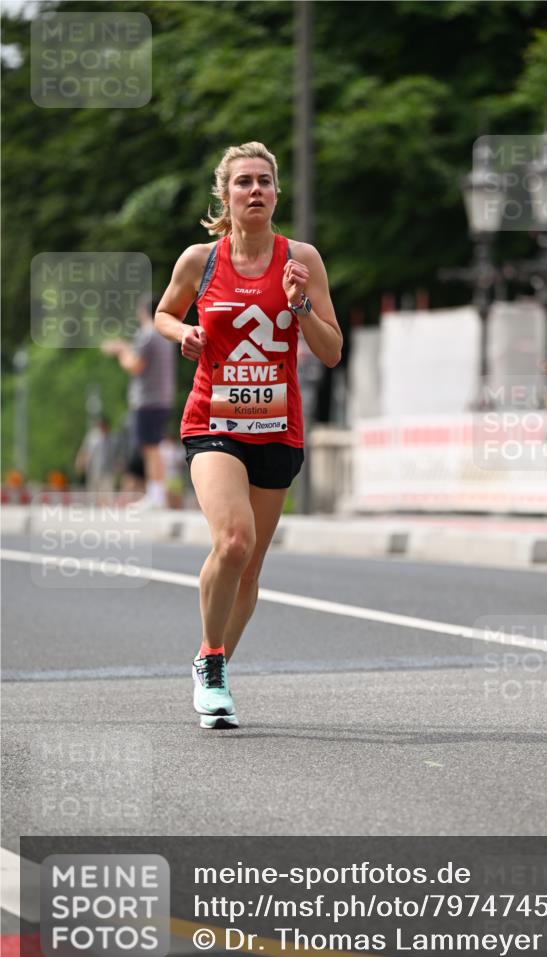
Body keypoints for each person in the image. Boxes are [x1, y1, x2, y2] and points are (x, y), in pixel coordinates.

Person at [154, 141, 342, 729]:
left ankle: (215, 669)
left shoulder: (301, 258)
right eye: (243, 183)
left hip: (278, 430)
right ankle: (211, 662)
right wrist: (180, 333)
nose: (254, 190)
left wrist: (301, 303)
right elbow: (163, 313)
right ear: (226, 195)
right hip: (212, 422)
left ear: (277, 194)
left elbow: (331, 351)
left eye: (264, 181)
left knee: (252, 567)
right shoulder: (200, 261)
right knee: (232, 542)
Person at [101, 294, 176, 509]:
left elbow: (135, 365)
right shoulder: (164, 336)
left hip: (148, 400)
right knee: (154, 447)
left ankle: (156, 496)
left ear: (143, 312)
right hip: (163, 398)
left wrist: (122, 350)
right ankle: (156, 494)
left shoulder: (147, 335)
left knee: (150, 449)